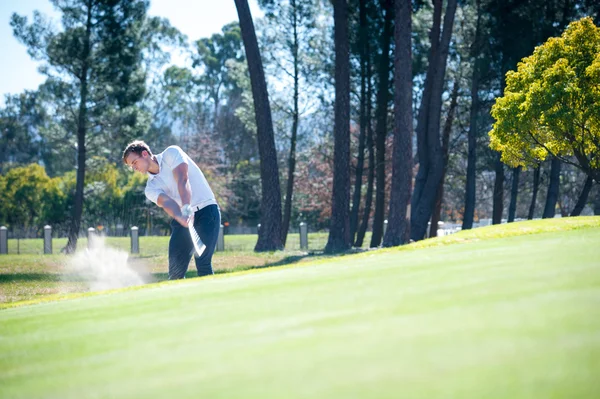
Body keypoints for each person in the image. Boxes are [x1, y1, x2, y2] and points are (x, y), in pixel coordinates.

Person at [122, 140, 220, 279]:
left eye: (134, 163)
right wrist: (181, 216)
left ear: (144, 154)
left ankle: (212, 300)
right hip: (182, 219)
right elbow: (168, 203)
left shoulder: (171, 153)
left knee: (203, 263)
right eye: (131, 166)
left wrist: (186, 206)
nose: (134, 168)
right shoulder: (151, 188)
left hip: (207, 211)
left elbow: (182, 179)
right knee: (175, 271)